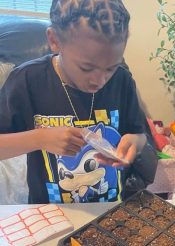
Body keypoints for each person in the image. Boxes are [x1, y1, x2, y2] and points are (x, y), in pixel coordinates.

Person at [0, 0, 155, 204]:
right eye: (86, 68)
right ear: (54, 40)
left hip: (112, 209)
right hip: (52, 214)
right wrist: (39, 138)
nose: (99, 81)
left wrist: (135, 142)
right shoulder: (26, 81)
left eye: (110, 68)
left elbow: (140, 135)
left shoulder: (122, 81)